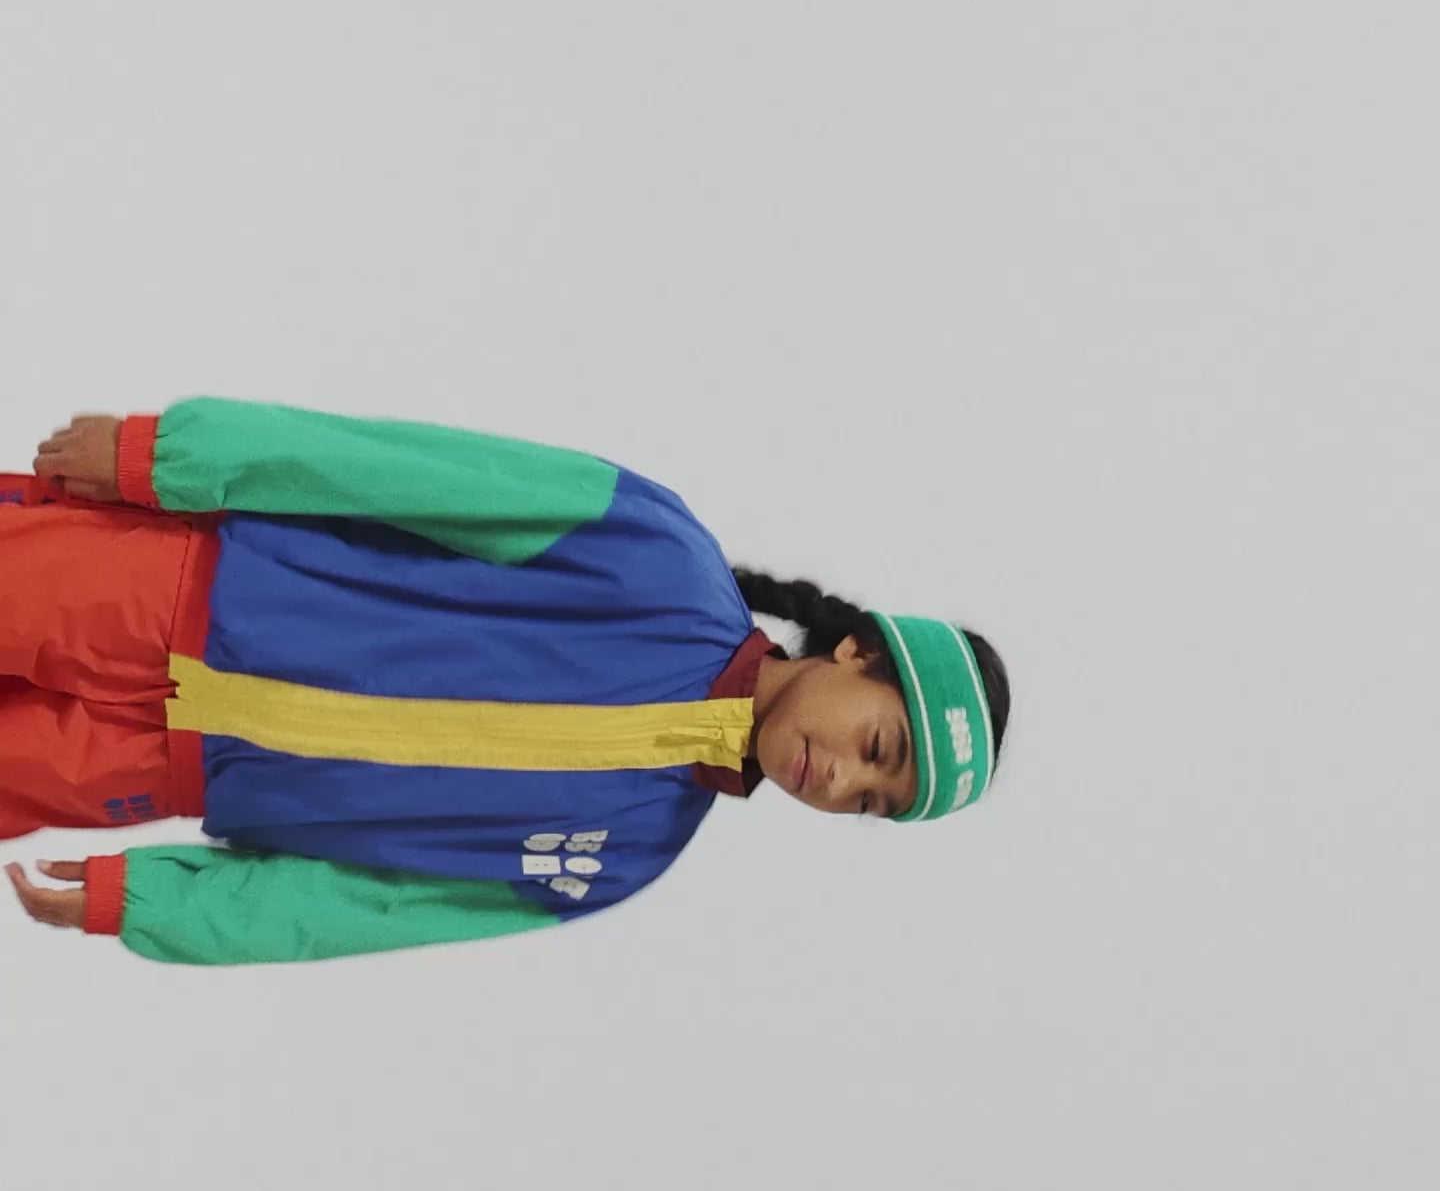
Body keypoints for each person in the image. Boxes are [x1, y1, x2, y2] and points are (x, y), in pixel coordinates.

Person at [2, 398, 1011, 965]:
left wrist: (158, 907)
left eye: (870, 801)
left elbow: (365, 906)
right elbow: (402, 472)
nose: (841, 782)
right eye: (877, 747)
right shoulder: (656, 553)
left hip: (148, 772)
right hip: (162, 594)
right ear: (856, 652)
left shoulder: (619, 858)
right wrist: (175, 456)